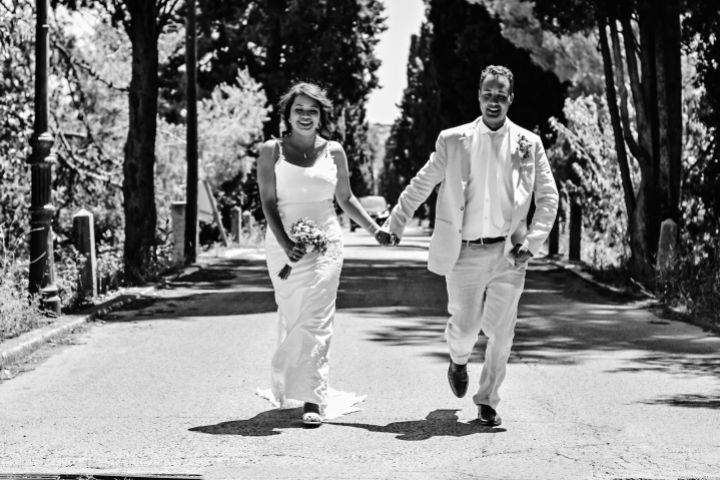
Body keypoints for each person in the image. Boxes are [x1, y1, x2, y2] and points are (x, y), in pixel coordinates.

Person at [383, 65, 559, 426]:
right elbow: (421, 183)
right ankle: (458, 361)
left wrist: (533, 242)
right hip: (464, 252)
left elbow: (549, 197)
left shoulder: (529, 143)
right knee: (464, 329)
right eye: (488, 94)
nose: (494, 101)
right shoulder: (452, 140)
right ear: (479, 97)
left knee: (501, 334)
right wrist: (396, 222)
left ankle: (488, 400)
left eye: (501, 95)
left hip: (509, 254)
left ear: (511, 99)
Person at [257, 82, 393, 427]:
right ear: (287, 114)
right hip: (282, 245)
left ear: (321, 116)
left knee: (317, 319)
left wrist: (375, 230)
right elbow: (268, 201)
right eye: (299, 110)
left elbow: (345, 199)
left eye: (312, 111)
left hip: (327, 244)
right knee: (294, 314)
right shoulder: (271, 151)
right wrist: (285, 242)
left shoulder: (334, 151)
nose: (305, 116)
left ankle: (313, 397)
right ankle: (294, 379)